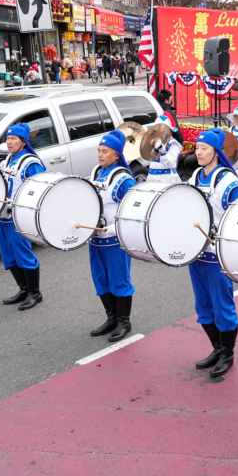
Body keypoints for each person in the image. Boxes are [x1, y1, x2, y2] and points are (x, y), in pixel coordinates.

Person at [187, 129, 238, 377]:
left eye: (204, 148)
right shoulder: (194, 177)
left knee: (223, 307)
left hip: (217, 256)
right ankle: (216, 348)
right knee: (203, 306)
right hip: (195, 253)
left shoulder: (230, 183)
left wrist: (221, 241)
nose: (199, 152)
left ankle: (228, 354)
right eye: (197, 147)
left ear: (216, 152)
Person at [88, 130, 139, 342]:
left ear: (116, 155)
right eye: (99, 151)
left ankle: (124, 322)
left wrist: (114, 228)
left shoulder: (124, 180)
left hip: (115, 240)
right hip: (95, 239)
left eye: (105, 151)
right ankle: (111, 318)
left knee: (119, 281)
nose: (100, 155)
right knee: (101, 280)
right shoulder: (96, 172)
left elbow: (135, 211)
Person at [0, 123, 46, 310]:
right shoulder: (8, 159)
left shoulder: (30, 163)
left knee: (23, 255)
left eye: (13, 139)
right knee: (8, 256)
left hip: (18, 218)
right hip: (3, 216)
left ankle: (35, 293)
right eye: (7, 138)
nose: (9, 142)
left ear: (23, 142)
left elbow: (40, 190)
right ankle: (23, 289)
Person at [146, 114, 182, 183]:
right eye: (157, 128)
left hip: (167, 178)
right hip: (152, 177)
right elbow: (146, 162)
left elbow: (172, 164)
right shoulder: (153, 141)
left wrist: (162, 150)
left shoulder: (173, 143)